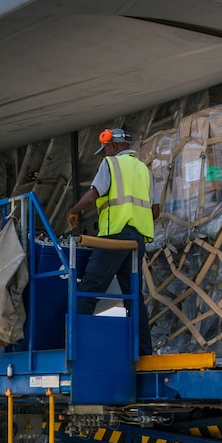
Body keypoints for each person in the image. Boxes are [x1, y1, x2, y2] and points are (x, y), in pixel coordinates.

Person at [66, 127, 160, 357]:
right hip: (137, 241)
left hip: (114, 237)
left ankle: (76, 349)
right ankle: (144, 353)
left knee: (88, 291)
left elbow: (93, 194)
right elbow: (155, 210)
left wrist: (74, 210)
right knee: (134, 298)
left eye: (106, 148)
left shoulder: (110, 165)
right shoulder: (144, 170)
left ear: (115, 146)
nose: (105, 153)